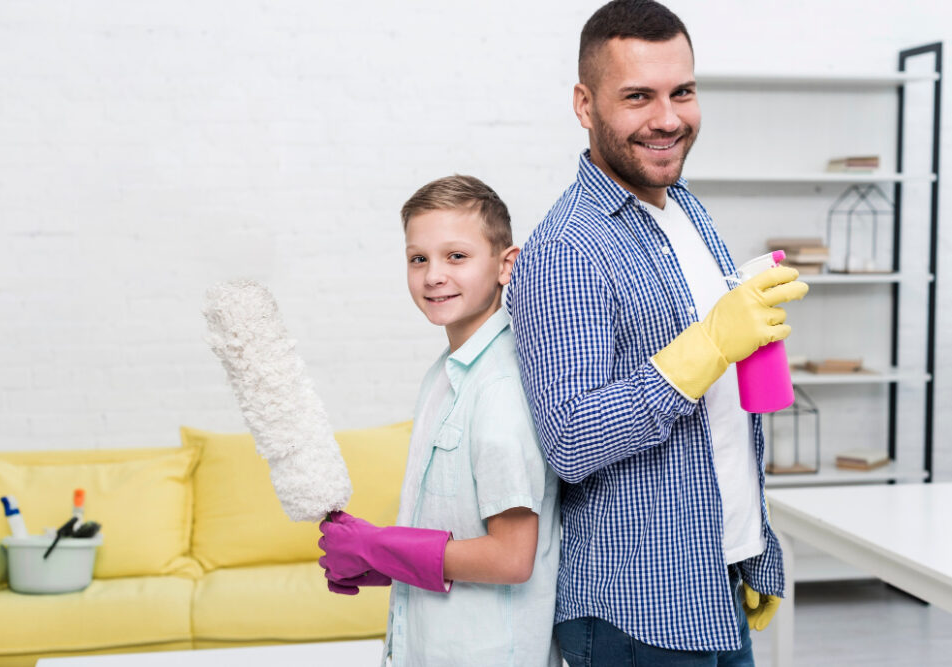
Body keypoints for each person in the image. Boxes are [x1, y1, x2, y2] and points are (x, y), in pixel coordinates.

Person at [506, 1, 809, 665]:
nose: (667, 118)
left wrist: (750, 543)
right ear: (584, 105)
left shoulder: (686, 208)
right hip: (635, 613)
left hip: (713, 579)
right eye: (637, 96)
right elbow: (570, 437)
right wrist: (703, 348)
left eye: (683, 92)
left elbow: (718, 417)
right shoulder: (566, 250)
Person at [318, 175, 561, 666]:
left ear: (505, 265)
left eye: (456, 256)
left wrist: (380, 547)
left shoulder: (499, 388)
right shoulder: (445, 376)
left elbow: (511, 558)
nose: (433, 275)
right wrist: (382, 559)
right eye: (418, 258)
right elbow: (455, 527)